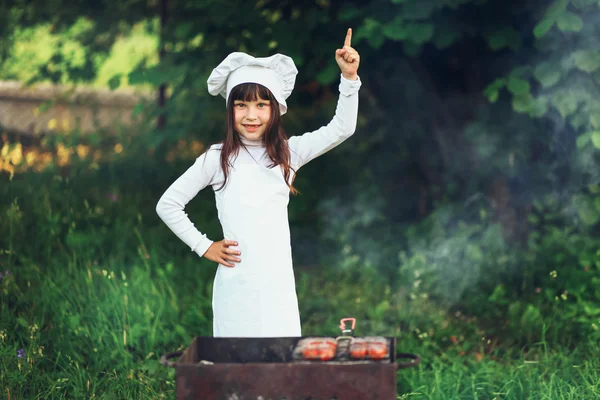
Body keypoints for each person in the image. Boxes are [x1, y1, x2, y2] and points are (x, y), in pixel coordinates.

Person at [156, 29, 361, 337]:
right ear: (230, 110)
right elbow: (168, 204)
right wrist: (203, 245)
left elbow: (342, 128)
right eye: (241, 105)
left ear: (275, 109)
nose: (251, 115)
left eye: (261, 105)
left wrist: (349, 79)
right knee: (236, 362)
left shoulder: (289, 153)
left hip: (277, 284)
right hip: (235, 284)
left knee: (279, 360)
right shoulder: (216, 158)